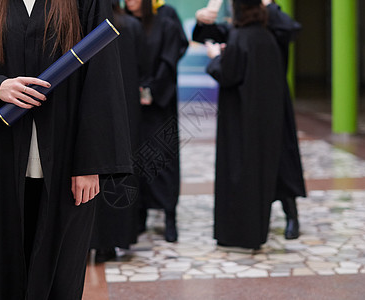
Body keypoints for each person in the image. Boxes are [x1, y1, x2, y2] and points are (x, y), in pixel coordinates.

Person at [0, 0, 131, 298]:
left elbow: (102, 79)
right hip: (2, 158)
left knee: (62, 279)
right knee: (8, 275)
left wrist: (90, 163)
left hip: (68, 161)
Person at [194, 0, 305, 242]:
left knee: (279, 165)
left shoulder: (274, 26)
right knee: (256, 166)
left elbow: (290, 28)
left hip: (272, 106)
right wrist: (207, 15)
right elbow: (207, 34)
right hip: (249, 109)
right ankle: (259, 221)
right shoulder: (239, 32)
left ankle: (291, 216)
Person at [89, 0, 149, 263]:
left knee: (92, 169)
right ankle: (115, 240)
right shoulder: (133, 26)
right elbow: (145, 68)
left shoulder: (90, 27)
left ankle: (89, 239)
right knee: (123, 171)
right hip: (128, 112)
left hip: (94, 109)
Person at [125, 0, 188, 243]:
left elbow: (169, 60)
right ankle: (140, 214)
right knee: (137, 159)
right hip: (134, 105)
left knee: (164, 159)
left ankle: (169, 215)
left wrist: (150, 90)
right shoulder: (127, 24)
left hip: (160, 104)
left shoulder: (166, 21)